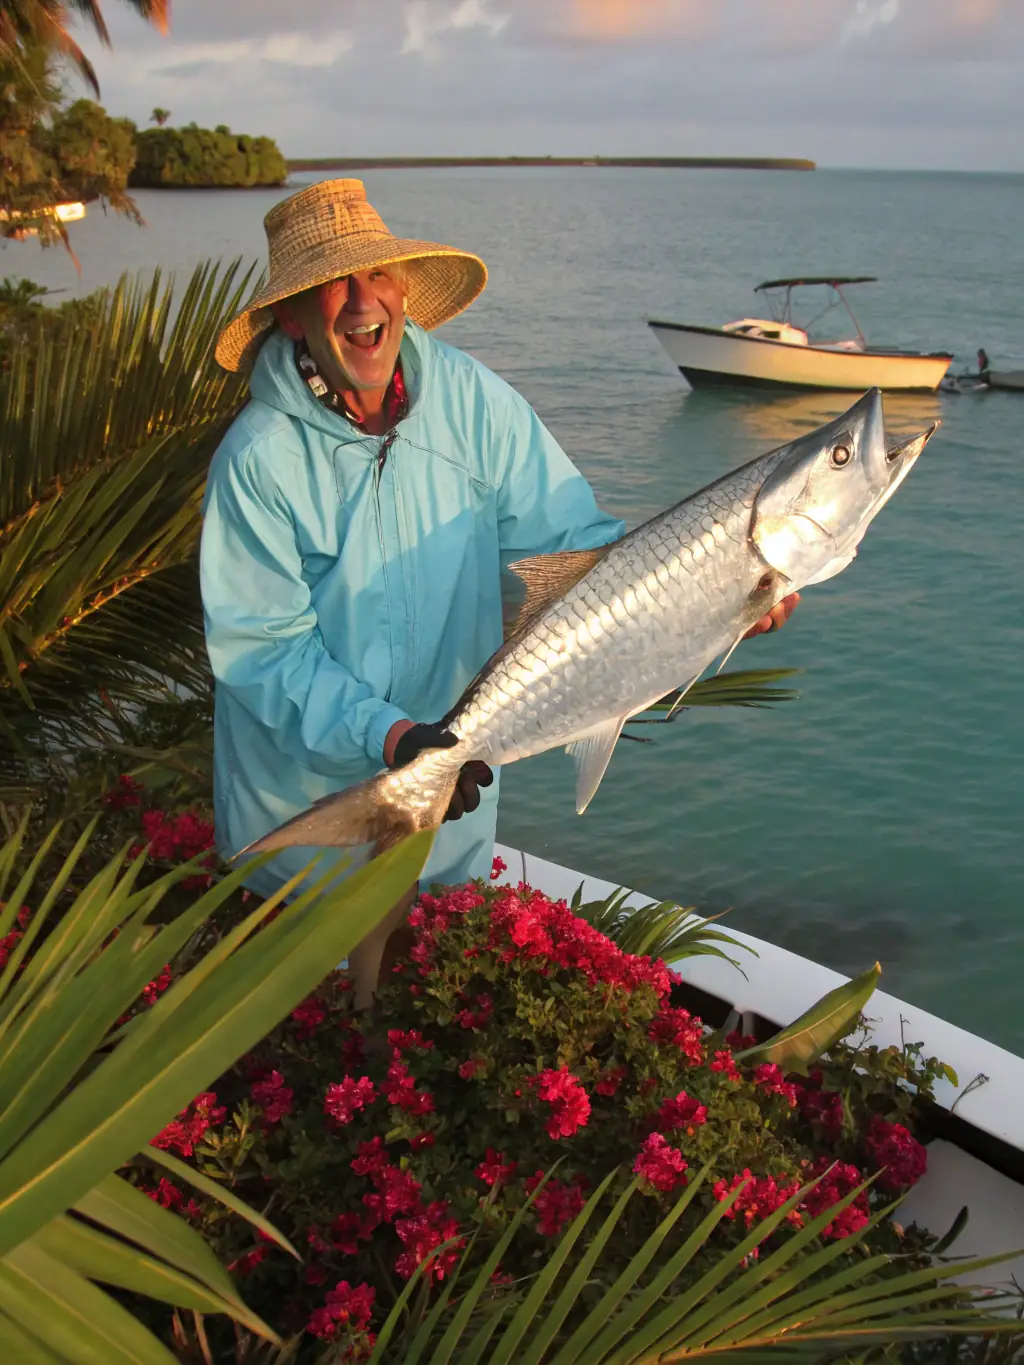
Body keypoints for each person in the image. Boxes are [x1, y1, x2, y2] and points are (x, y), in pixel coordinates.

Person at [200, 178, 798, 1006]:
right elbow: (263, 650)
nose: (362, 300)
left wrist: (721, 590)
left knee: (412, 1039)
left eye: (378, 275)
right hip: (306, 817)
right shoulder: (258, 459)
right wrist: (392, 737)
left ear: (405, 288)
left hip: (449, 800)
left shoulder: (474, 401)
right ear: (293, 316)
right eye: (333, 284)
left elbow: (576, 547)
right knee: (308, 1049)